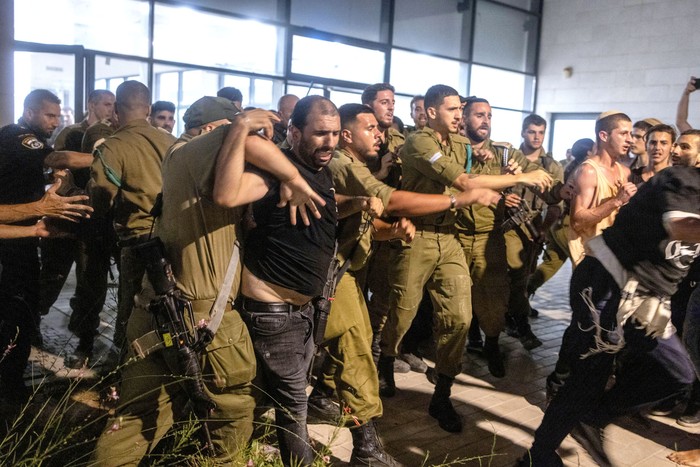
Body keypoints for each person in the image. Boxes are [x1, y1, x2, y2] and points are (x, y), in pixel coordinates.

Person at [92, 97, 324, 465]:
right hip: (207, 319)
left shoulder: (178, 161)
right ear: (215, 130)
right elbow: (245, 144)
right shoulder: (201, 147)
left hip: (155, 310)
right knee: (232, 422)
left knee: (134, 422)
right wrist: (288, 172)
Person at [377, 85, 549, 432]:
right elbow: (462, 181)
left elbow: (471, 167)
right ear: (430, 113)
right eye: (452, 109)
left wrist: (494, 165)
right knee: (403, 311)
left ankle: (442, 393)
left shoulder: (459, 144)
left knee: (459, 318)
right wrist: (521, 177)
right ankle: (385, 360)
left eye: (460, 109)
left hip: (450, 238)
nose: (459, 115)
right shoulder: (418, 142)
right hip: (418, 236)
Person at [518, 164, 699, 467]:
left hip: (647, 297)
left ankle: (593, 417)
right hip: (608, 282)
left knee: (676, 374)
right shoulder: (684, 181)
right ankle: (539, 456)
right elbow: (680, 226)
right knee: (587, 378)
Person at [238, 95, 336, 466]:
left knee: (274, 397)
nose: (330, 141)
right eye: (320, 133)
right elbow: (247, 143)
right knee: (294, 402)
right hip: (272, 311)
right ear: (293, 132)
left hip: (302, 311)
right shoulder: (277, 169)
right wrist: (290, 175)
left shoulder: (319, 166)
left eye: (335, 133)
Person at [457, 97, 556, 376]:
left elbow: (541, 177)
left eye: (489, 115)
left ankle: (491, 344)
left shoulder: (503, 153)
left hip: (491, 236)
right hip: (455, 233)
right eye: (479, 115)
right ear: (464, 118)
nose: (485, 120)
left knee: (495, 296)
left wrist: (562, 190)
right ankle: (452, 357)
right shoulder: (452, 149)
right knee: (459, 299)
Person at [547, 111, 638, 403]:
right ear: (603, 135)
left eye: (631, 133)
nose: (629, 139)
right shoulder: (588, 171)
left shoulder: (623, 171)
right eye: (623, 133)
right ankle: (559, 381)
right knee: (584, 323)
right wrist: (617, 201)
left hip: (614, 256)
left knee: (606, 324)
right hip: (590, 257)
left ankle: (587, 386)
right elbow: (578, 221)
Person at [88, 81, 176, 362]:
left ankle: (124, 370)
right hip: (174, 237)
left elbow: (102, 200)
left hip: (138, 241)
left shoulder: (112, 147)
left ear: (116, 109)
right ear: (148, 109)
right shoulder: (173, 142)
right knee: (169, 306)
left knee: (131, 308)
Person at [0, 89, 62, 402]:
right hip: (9, 251)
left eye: (57, 115)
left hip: (20, 239)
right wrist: (108, 153)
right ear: (29, 112)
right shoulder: (20, 136)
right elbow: (55, 157)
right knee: (14, 315)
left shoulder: (17, 142)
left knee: (22, 314)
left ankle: (14, 385)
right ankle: (11, 390)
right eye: (50, 115)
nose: (56, 121)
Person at [37, 89, 115, 324]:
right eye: (106, 104)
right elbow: (56, 167)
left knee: (90, 278)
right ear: (92, 104)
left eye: (113, 105)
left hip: (92, 217)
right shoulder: (72, 133)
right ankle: (33, 320)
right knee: (53, 275)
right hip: (69, 212)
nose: (110, 109)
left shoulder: (112, 135)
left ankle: (82, 326)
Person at [504, 113, 564, 349]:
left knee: (525, 273)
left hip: (533, 226)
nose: (536, 137)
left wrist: (543, 229)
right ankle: (518, 323)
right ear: (522, 132)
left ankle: (513, 314)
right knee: (513, 278)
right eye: (531, 131)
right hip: (505, 225)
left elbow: (556, 205)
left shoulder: (551, 166)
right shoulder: (508, 158)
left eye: (540, 132)